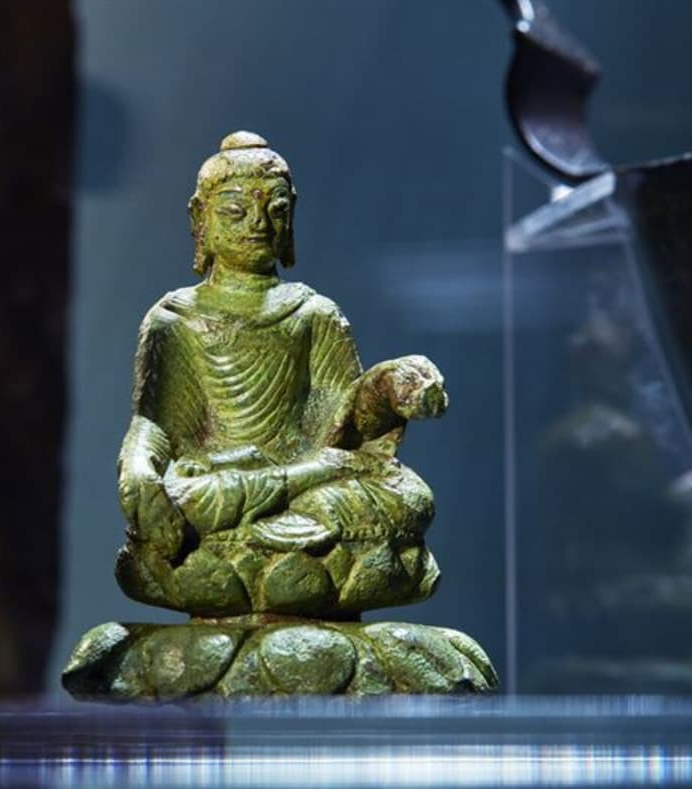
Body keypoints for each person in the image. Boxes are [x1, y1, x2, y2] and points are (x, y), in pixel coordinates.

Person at [115, 131, 448, 618]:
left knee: (410, 499)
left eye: (275, 210)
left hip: (310, 485)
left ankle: (280, 550)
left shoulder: (313, 312)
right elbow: (153, 427)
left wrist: (388, 384)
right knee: (183, 502)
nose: (257, 223)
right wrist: (139, 476)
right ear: (200, 219)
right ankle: (290, 554)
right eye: (235, 211)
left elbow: (342, 423)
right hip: (219, 481)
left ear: (291, 217)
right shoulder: (174, 320)